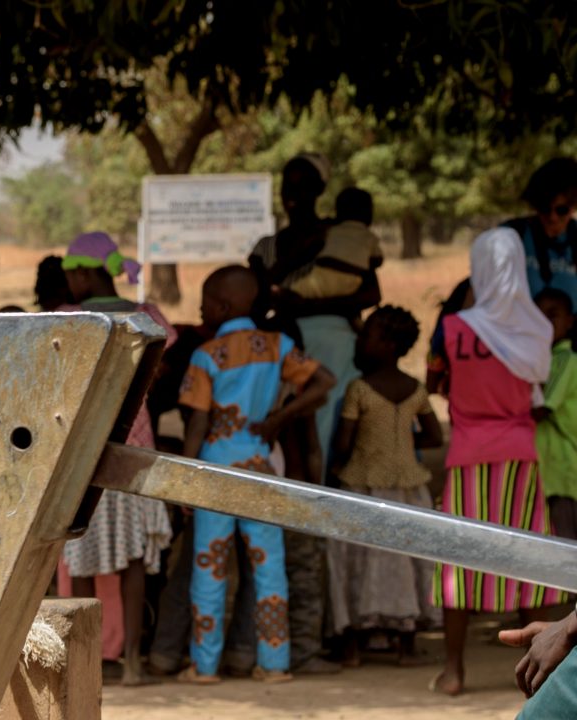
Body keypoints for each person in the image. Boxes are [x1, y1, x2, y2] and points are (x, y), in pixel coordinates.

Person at [176, 266, 336, 685]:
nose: (200, 309)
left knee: (209, 568)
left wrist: (184, 483)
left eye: (205, 302)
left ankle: (204, 666)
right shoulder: (279, 346)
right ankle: (274, 663)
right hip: (260, 469)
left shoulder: (206, 355)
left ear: (223, 305)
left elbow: (195, 426)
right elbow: (325, 382)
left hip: (214, 470)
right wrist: (278, 418)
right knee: (269, 567)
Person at [428, 229, 569, 696]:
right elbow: (537, 383)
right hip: (521, 456)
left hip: (468, 453)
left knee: (457, 559)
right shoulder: (538, 329)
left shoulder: (454, 328)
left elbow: (436, 380)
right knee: (526, 558)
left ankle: (453, 671)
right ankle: (537, 673)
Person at [248, 153, 370, 675]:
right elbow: (257, 301)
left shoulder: (341, 235)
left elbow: (368, 290)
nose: (293, 193)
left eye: (303, 185)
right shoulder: (267, 247)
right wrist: (288, 275)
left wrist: (292, 296)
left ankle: (335, 622)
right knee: (294, 458)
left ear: (321, 189)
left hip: (335, 350)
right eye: (287, 185)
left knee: (326, 465)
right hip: (288, 350)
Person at [57, 232, 173, 686]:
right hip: (136, 446)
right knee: (134, 564)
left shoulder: (69, 319)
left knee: (82, 561)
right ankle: (134, 664)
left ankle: (88, 667)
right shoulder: (148, 316)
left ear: (84, 272)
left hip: (85, 451)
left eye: (70, 275)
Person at [326, 306, 445, 667]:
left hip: (364, 485)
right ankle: (405, 644)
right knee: (405, 563)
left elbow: (345, 444)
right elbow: (434, 435)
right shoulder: (416, 390)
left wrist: (345, 459)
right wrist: (402, 447)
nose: (360, 342)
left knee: (354, 561)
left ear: (390, 345)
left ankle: (351, 645)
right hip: (408, 488)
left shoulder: (358, 389)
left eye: (368, 336)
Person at [281, 187, 385, 302]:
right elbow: (378, 260)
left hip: (323, 274)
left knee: (297, 292)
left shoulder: (331, 230)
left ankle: (279, 294)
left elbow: (315, 243)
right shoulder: (369, 237)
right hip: (352, 281)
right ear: (369, 215)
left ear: (338, 212)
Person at [498, 158, 577, 300]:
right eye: (545, 208)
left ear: (573, 207)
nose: (552, 217)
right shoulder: (511, 235)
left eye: (561, 210)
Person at [536, 289, 577, 539]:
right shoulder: (542, 359)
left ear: (570, 321)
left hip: (562, 470)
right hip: (547, 470)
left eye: (553, 315)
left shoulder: (566, 360)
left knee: (565, 546)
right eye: (538, 316)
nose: (545, 323)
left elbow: (540, 409)